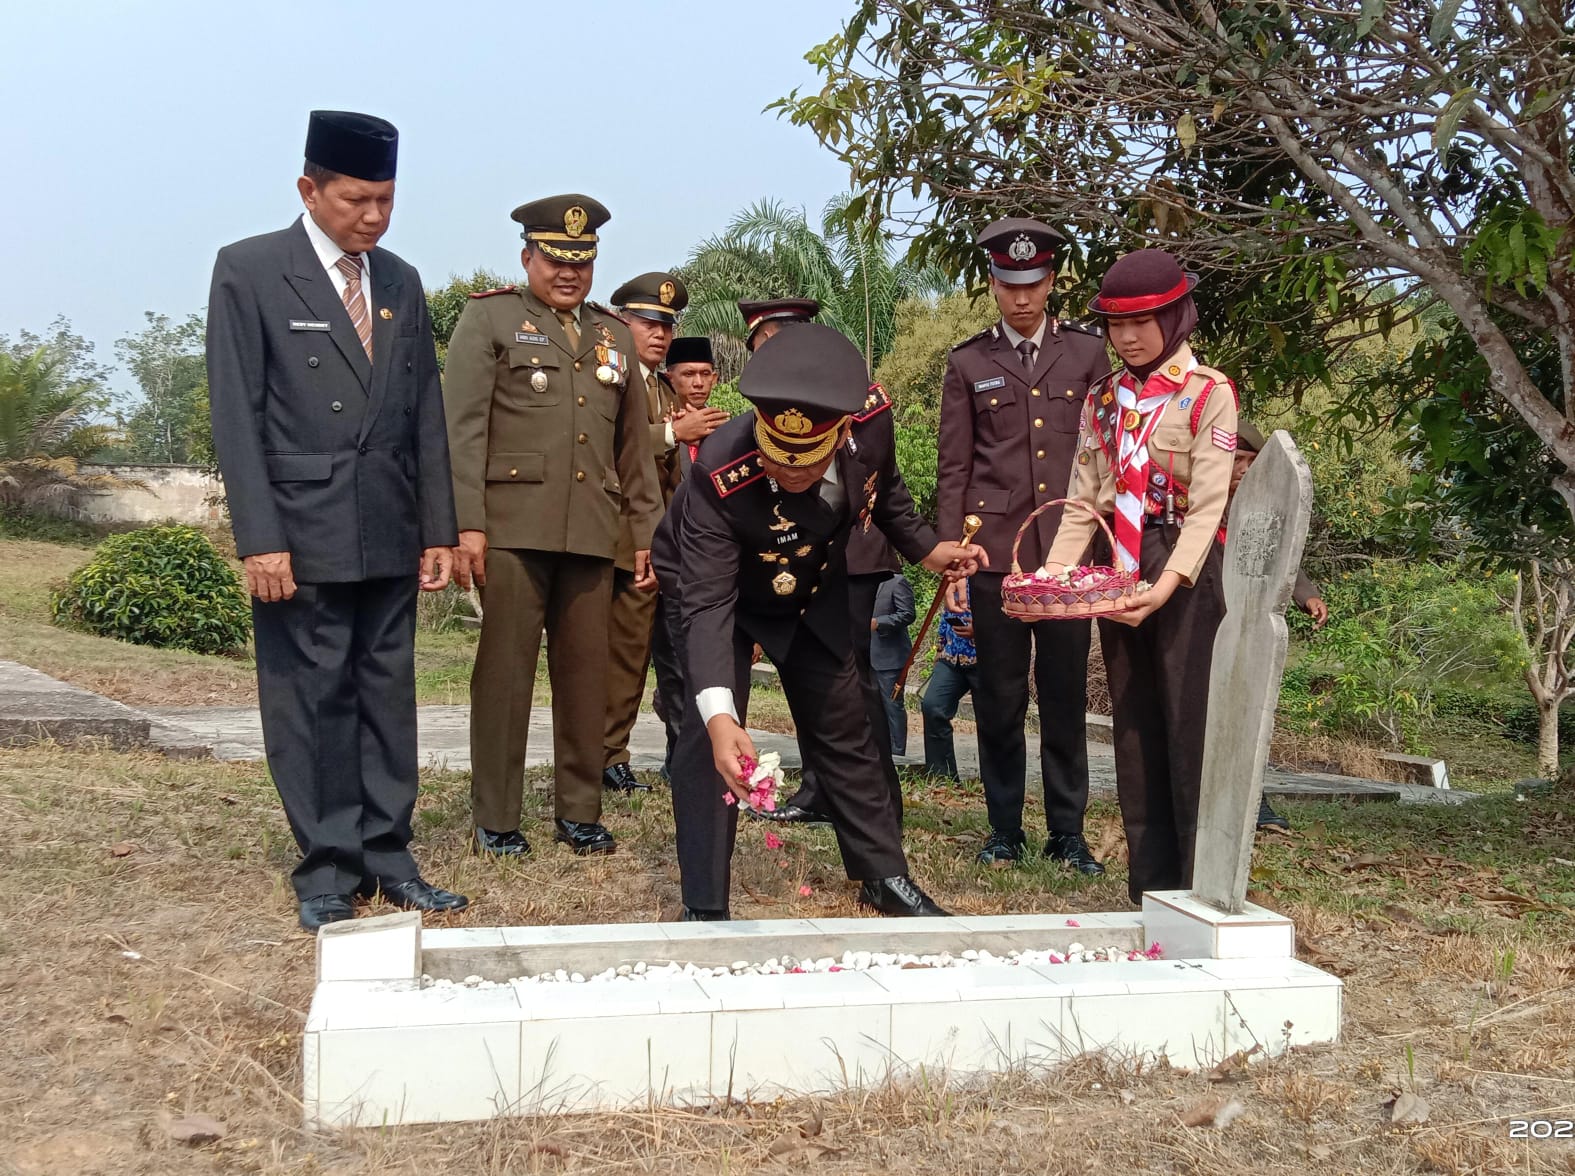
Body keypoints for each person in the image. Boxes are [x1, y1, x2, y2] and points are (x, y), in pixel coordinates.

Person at [205, 110, 467, 930]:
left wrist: (439, 527)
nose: (374, 218)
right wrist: (260, 538)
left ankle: (389, 855)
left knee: (387, 695)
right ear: (308, 189)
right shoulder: (250, 270)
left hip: (389, 524)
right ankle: (326, 867)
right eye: (356, 200)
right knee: (312, 696)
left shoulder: (399, 280)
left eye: (386, 201)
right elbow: (235, 415)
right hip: (301, 528)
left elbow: (425, 409)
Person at [653, 323, 983, 920]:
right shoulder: (719, 474)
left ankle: (883, 875)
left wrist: (929, 550)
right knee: (710, 740)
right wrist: (722, 713)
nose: (793, 473)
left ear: (841, 432)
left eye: (808, 462)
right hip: (712, 593)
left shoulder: (871, 422)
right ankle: (705, 906)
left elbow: (886, 494)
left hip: (809, 589)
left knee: (847, 726)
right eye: (780, 460)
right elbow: (705, 605)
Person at [444, 194, 663, 859]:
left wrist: (645, 531)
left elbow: (633, 448)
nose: (569, 273)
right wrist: (467, 527)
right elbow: (463, 431)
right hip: (512, 528)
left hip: (594, 533)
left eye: (582, 262)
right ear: (527, 258)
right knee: (505, 677)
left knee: (586, 677)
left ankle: (579, 811)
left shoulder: (612, 334)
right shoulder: (490, 319)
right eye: (555, 260)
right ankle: (497, 818)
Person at [1043, 249, 1238, 903]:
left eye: (1142, 322)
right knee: (1132, 727)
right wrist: (1053, 575)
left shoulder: (1208, 393)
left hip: (1181, 571)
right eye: (1114, 325)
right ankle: (1151, 889)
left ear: (1175, 316)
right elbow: (1083, 499)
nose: (1126, 337)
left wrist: (1162, 586)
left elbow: (1209, 505)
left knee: (1188, 724)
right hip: (1116, 566)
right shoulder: (1101, 398)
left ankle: (1200, 884)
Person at [939, 217, 1110, 873]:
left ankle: (1067, 832)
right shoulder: (968, 362)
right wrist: (953, 551)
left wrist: (1104, 544)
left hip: (1067, 558)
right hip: (995, 557)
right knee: (999, 699)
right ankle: (1003, 828)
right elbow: (954, 466)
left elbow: (1104, 454)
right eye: (1009, 285)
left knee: (1065, 698)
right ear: (992, 284)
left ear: (1051, 281)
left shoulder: (1087, 355)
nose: (1021, 298)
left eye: (1032, 283)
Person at [600, 273, 723, 793]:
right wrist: (675, 432)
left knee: (662, 662)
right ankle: (607, 756)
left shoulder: (652, 384)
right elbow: (607, 444)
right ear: (621, 321)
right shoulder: (610, 376)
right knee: (621, 660)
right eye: (648, 322)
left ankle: (626, 755)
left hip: (667, 550)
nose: (659, 333)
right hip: (620, 538)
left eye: (666, 325)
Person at [1229, 420, 1330, 831]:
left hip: (1245, 630)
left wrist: (1306, 595)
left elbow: (1282, 555)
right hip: (1195, 625)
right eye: (1235, 460)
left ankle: (1256, 804)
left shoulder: (1260, 508)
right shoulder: (1192, 502)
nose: (1242, 470)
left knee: (1245, 715)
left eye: (1250, 462)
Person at [922, 584, 980, 780]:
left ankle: (994, 781)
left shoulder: (998, 572)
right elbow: (946, 612)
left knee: (992, 720)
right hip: (951, 655)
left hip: (985, 658)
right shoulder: (954, 574)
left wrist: (981, 629)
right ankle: (942, 775)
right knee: (932, 705)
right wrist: (940, 647)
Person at [871, 572, 916, 756]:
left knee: (892, 705)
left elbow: (908, 614)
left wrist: (879, 622)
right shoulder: (862, 584)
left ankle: (898, 754)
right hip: (865, 654)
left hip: (890, 656)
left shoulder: (897, 582)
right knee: (871, 705)